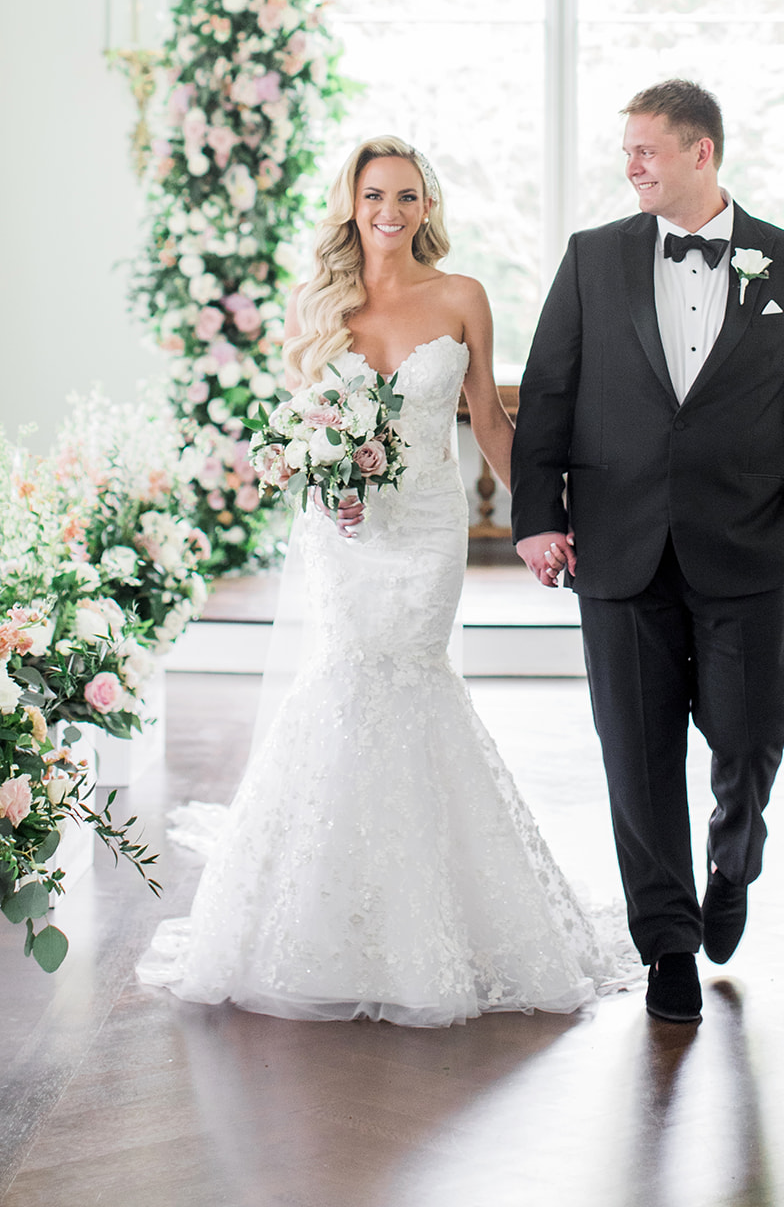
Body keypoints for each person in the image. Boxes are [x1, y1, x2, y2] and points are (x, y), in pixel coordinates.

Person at [138, 136, 628, 1025]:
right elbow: (300, 435)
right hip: (348, 536)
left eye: (406, 195)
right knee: (346, 680)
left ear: (428, 206)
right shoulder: (317, 305)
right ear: (351, 205)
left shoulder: (462, 297)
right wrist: (330, 492)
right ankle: (327, 918)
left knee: (412, 679)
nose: (390, 211)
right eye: (373, 196)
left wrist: (544, 518)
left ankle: (430, 917)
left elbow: (487, 418)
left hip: (429, 529)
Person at [512, 80, 784, 1024]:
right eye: (626, 150)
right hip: (616, 547)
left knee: (750, 737)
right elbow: (546, 393)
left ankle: (733, 853)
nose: (629, 166)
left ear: (700, 152)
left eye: (644, 150)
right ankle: (665, 941)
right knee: (637, 753)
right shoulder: (592, 260)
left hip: (748, 546)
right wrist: (538, 516)